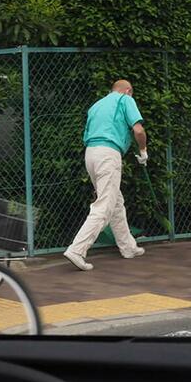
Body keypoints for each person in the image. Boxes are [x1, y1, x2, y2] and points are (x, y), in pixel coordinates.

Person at [63, 80, 147, 271]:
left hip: (91, 154)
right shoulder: (125, 99)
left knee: (116, 202)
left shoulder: (96, 105)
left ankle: (128, 247)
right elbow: (138, 130)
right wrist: (143, 152)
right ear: (128, 91)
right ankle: (77, 249)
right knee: (105, 205)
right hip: (108, 154)